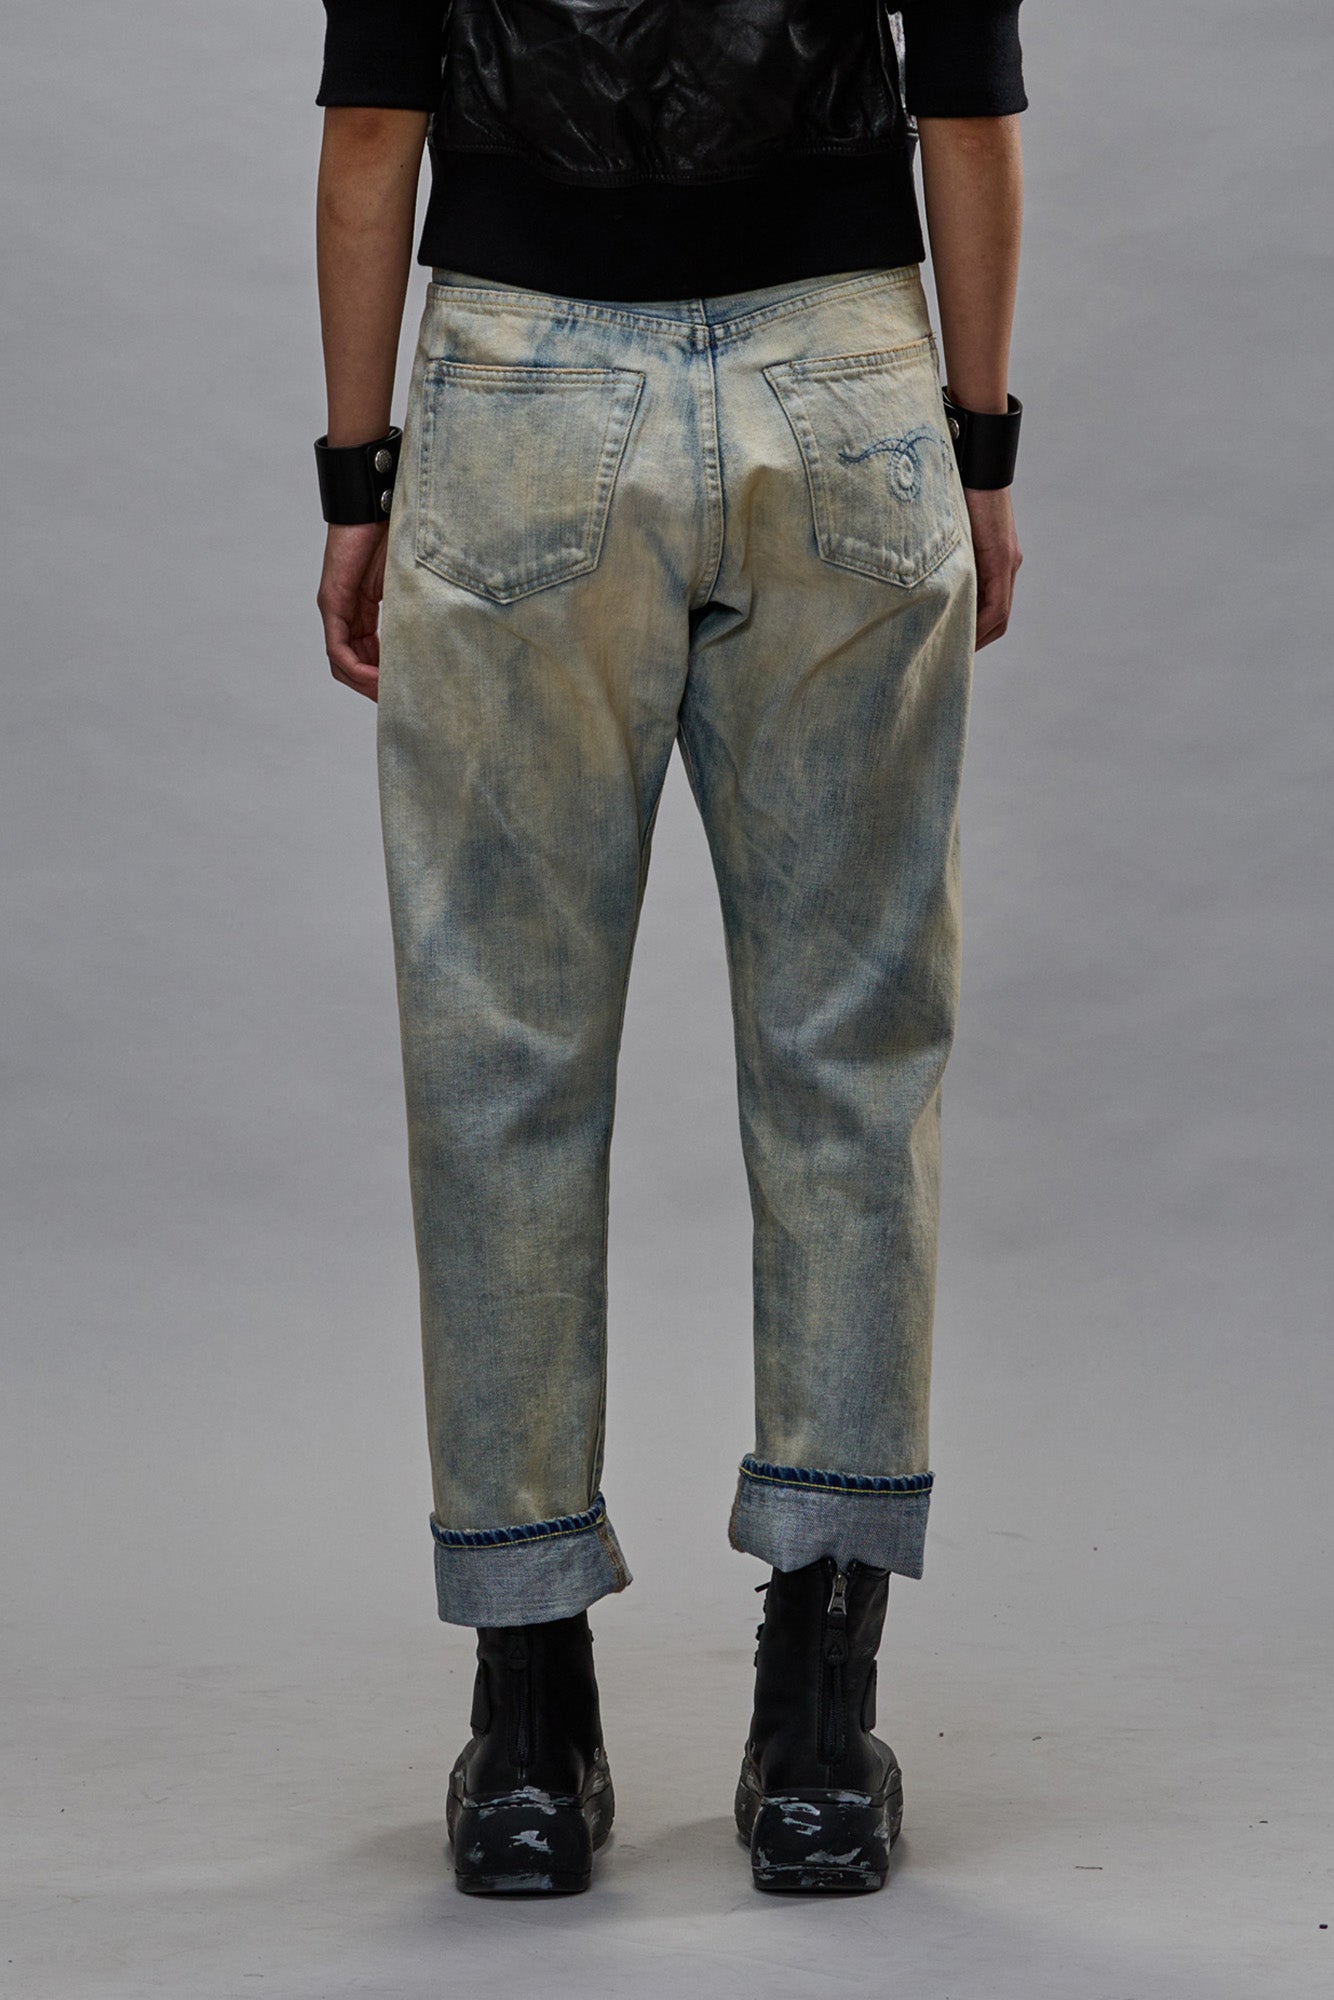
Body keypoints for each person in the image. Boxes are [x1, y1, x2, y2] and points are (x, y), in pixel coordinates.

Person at [313, 0, 1026, 1897]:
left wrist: (357, 478)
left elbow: (374, 132)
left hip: (522, 393)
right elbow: (964, 111)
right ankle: (819, 1733)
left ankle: (528, 1731)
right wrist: (977, 446)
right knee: (850, 1055)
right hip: (842, 381)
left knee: (501, 1056)